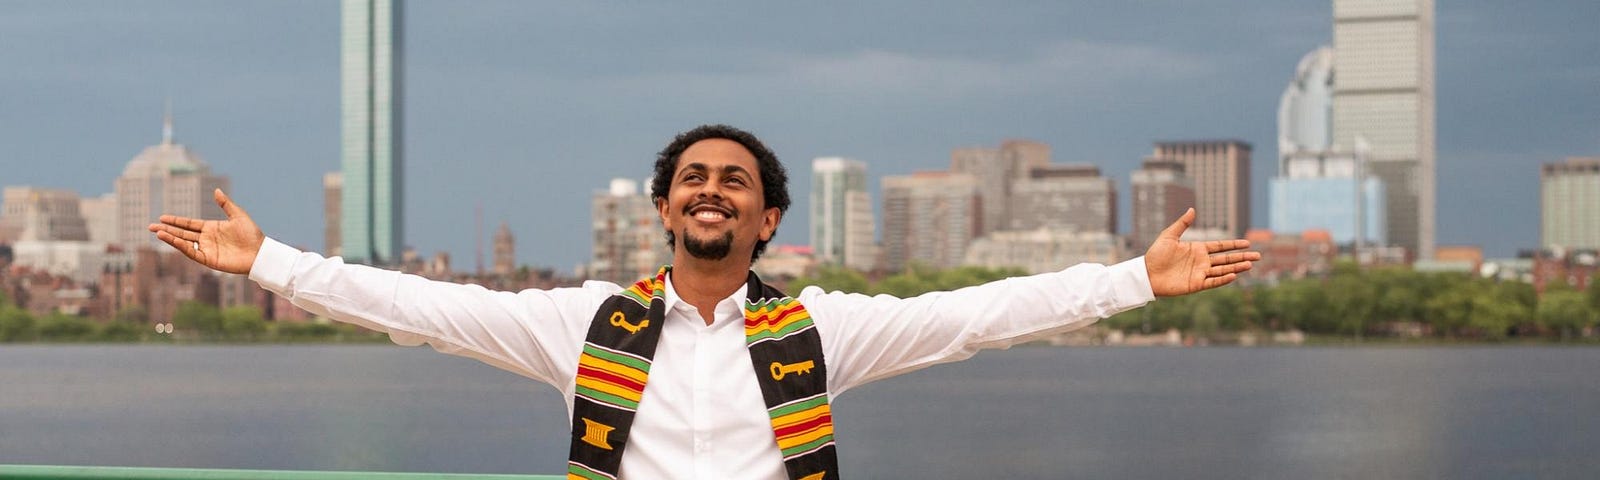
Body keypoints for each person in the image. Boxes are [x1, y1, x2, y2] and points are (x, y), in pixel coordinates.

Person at [149, 124, 1258, 480]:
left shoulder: (817, 332)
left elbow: (979, 312)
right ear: (664, 211)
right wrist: (270, 263)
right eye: (694, 179)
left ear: (767, 219)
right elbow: (422, 307)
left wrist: (1129, 280)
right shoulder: (585, 327)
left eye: (734, 181)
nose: (711, 192)